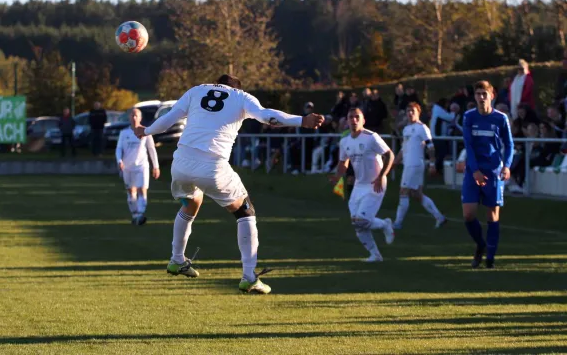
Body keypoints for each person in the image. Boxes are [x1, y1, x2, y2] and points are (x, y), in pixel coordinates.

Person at [134, 74, 324, 294]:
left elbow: (169, 119)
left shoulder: (196, 90)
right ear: (236, 87)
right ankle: (249, 276)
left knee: (190, 202)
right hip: (212, 166)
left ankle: (176, 259)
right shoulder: (241, 97)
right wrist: (301, 120)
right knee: (245, 211)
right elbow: (267, 117)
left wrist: (145, 131)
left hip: (181, 163)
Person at [328, 108, 396, 263]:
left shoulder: (371, 137)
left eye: (357, 117)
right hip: (359, 185)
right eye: (350, 117)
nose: (354, 120)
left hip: (375, 183)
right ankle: (375, 255)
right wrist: (337, 177)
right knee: (356, 223)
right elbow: (343, 162)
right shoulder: (345, 141)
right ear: (346, 120)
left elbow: (389, 155)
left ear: (363, 120)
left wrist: (381, 176)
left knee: (361, 220)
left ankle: (385, 225)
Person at [462, 80, 514, 269]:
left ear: (492, 95)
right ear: (474, 96)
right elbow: (468, 144)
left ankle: (490, 257)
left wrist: (507, 166)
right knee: (468, 214)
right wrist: (475, 170)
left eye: (485, 93)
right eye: (478, 94)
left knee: (492, 214)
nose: (481, 97)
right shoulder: (469, 117)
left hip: (493, 171)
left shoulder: (501, 118)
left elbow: (509, 145)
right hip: (473, 171)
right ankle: (481, 245)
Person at [392, 102, 446, 230]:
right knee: (417, 194)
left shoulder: (422, 128)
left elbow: (430, 147)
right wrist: (395, 162)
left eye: (413, 111)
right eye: (408, 111)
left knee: (403, 192)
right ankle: (440, 217)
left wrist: (432, 164)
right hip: (409, 165)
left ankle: (397, 223)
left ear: (418, 113)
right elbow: (403, 149)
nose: (410, 113)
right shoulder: (406, 129)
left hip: (415, 164)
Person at [116, 109, 160, 226]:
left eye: (136, 116)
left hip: (142, 166)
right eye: (132, 115)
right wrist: (119, 160)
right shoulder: (124, 133)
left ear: (140, 118)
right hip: (127, 167)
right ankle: (135, 215)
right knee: (131, 191)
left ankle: (140, 215)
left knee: (142, 189)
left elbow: (151, 149)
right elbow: (119, 148)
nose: (134, 118)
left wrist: (156, 166)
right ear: (129, 118)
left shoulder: (146, 132)